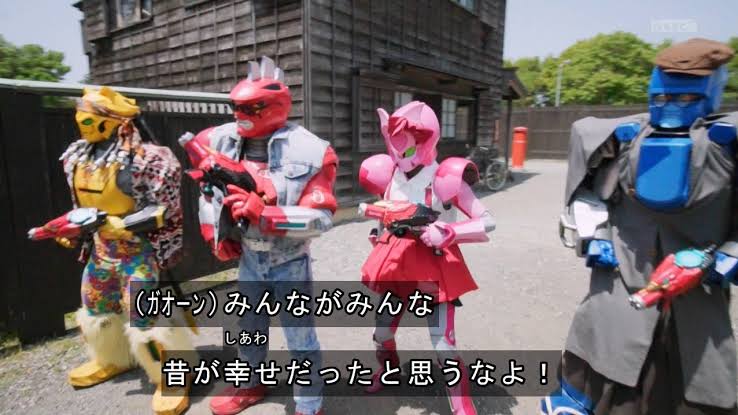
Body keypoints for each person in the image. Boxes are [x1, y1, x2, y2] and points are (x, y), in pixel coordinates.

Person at [542, 38, 738, 415]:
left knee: (695, 384)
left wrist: (724, 258)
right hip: (622, 282)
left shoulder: (726, 144)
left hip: (696, 295)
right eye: (663, 97)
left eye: (686, 98)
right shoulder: (623, 139)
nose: (672, 107)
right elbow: (590, 195)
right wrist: (596, 235)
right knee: (600, 368)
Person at [180, 56, 337, 415]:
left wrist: (268, 215)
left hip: (290, 261)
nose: (240, 114)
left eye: (251, 108)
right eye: (236, 107)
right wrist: (216, 232)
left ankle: (309, 404)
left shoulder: (312, 150)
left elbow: (322, 218)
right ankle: (249, 383)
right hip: (249, 257)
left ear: (276, 106)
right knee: (248, 326)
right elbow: (208, 192)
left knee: (299, 335)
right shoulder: (219, 140)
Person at [52, 86, 189, 414]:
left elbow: (164, 209)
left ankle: (171, 376)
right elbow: (82, 208)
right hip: (101, 252)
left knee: (145, 319)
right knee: (96, 309)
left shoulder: (148, 158)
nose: (82, 123)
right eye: (80, 116)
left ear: (115, 121)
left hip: (138, 253)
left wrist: (125, 225)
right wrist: (74, 231)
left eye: (89, 118)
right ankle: (112, 358)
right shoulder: (78, 156)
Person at [357, 100, 495, 415]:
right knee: (382, 332)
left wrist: (450, 231)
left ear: (426, 139)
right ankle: (389, 372)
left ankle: (463, 408)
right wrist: (378, 233)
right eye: (393, 144)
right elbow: (386, 210)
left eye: (405, 145)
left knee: (444, 345)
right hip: (397, 262)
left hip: (433, 264)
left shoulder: (444, 176)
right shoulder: (390, 174)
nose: (398, 152)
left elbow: (487, 222)